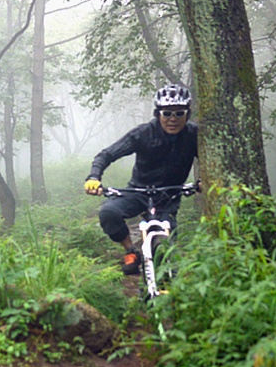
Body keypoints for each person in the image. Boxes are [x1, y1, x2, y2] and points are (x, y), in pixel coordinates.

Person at [84, 84, 198, 275]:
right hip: (137, 192)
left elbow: (213, 162)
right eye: (166, 113)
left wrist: (205, 182)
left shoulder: (194, 135)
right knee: (108, 212)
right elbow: (106, 155)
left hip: (168, 197)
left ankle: (169, 289)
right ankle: (131, 250)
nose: (172, 119)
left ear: (187, 114)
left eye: (179, 113)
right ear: (157, 113)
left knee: (168, 249)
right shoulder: (143, 133)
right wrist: (94, 177)